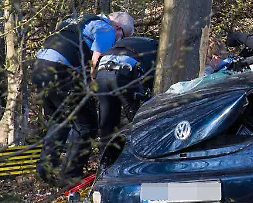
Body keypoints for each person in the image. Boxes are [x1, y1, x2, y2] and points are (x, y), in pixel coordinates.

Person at [31, 11, 134, 185]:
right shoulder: (107, 30)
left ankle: (45, 170)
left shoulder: (80, 21)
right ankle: (70, 177)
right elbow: (97, 61)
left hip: (39, 67)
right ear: (118, 28)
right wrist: (94, 88)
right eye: (122, 36)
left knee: (60, 120)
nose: (118, 41)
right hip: (61, 71)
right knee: (87, 124)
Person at [94, 35, 158, 170]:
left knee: (107, 122)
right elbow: (154, 80)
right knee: (136, 119)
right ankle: (141, 157)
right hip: (124, 72)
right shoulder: (158, 48)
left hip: (102, 71)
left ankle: (104, 164)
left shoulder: (129, 42)